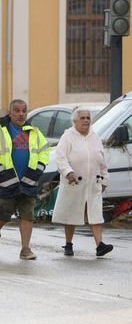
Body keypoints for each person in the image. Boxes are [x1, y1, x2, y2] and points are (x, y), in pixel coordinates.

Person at [0, 99, 50, 260]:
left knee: (27, 215)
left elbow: (44, 151)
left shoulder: (33, 132)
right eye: (17, 110)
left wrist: (37, 170)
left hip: (28, 181)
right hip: (5, 181)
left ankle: (25, 249)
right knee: (4, 214)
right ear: (10, 112)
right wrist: (0, 171)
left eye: (24, 111)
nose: (21, 114)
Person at [51, 107, 113, 257]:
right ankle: (68, 244)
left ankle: (100, 245)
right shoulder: (68, 137)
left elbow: (101, 161)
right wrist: (68, 172)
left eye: (88, 118)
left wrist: (104, 178)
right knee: (72, 213)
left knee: (95, 213)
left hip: (93, 182)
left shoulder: (95, 137)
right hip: (74, 182)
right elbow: (60, 157)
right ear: (75, 121)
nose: (86, 121)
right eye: (82, 118)